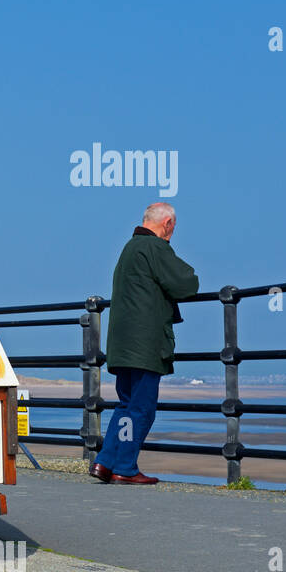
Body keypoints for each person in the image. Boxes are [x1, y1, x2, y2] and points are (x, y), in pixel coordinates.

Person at [90, 203, 199, 485]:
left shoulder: (129, 249)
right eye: (172, 228)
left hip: (122, 344)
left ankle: (105, 462)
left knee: (127, 404)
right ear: (168, 223)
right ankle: (124, 467)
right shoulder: (154, 248)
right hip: (145, 345)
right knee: (141, 408)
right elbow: (187, 284)